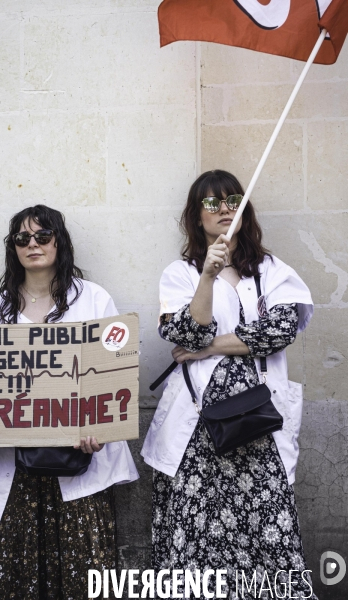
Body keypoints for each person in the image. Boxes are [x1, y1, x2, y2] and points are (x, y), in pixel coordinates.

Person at [0, 204, 139, 600]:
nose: (32, 244)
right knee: (11, 577)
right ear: (13, 248)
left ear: (59, 242)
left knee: (81, 574)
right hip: (14, 471)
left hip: (77, 467)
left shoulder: (94, 300)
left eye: (43, 236)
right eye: (22, 238)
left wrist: (101, 429)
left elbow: (116, 374)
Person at [141, 170, 318, 598]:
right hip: (197, 433)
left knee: (267, 533)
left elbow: (278, 330)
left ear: (244, 211)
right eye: (212, 203)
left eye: (232, 201)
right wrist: (207, 276)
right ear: (195, 216)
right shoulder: (179, 274)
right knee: (194, 535)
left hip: (257, 429)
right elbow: (186, 333)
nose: (223, 209)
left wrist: (210, 349)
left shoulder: (272, 271)